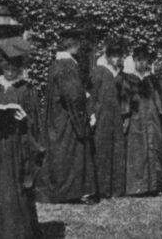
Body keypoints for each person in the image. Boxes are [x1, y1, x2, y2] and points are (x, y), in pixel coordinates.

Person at [0, 37, 42, 238]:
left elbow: (36, 126)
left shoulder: (27, 90)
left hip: (17, 147)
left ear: (20, 68)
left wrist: (26, 121)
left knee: (15, 189)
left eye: (14, 69)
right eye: (6, 68)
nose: (10, 72)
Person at [34, 29, 97, 204]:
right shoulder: (68, 65)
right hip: (67, 118)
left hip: (57, 116)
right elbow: (73, 96)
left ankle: (62, 191)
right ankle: (69, 192)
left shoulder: (56, 64)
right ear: (74, 45)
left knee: (60, 153)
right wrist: (83, 120)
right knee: (71, 153)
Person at [121, 46, 162, 196]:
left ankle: (155, 186)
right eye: (138, 60)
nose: (141, 63)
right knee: (137, 152)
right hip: (136, 120)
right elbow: (125, 101)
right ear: (134, 61)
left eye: (144, 60)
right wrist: (126, 118)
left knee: (154, 150)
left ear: (148, 61)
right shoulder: (129, 79)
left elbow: (159, 99)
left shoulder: (152, 80)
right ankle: (138, 187)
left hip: (152, 120)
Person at [89, 42, 128, 198]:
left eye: (118, 56)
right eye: (113, 56)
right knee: (102, 149)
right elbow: (93, 94)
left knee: (117, 150)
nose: (116, 58)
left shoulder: (121, 73)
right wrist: (92, 113)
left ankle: (116, 188)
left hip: (116, 116)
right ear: (107, 56)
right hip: (103, 115)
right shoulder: (99, 71)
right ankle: (103, 188)